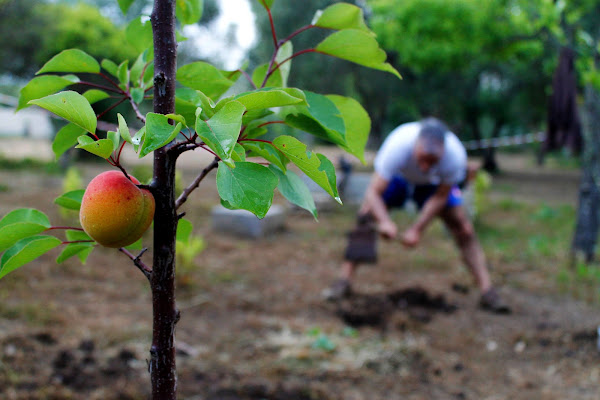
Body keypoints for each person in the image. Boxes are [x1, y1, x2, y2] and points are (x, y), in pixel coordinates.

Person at [324, 118, 510, 314]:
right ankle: (343, 281)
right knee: (365, 216)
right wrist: (385, 222)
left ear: (443, 152)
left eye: (432, 161)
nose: (424, 166)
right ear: (415, 145)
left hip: (433, 184)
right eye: (421, 158)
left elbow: (440, 197)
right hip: (399, 178)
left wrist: (417, 229)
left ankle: (488, 291)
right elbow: (373, 192)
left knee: (464, 228)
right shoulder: (398, 145)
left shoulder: (455, 157)